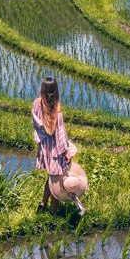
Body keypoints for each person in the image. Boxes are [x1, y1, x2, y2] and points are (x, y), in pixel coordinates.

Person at [32, 76, 86, 216]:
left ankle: (43, 203)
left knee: (52, 176)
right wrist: (66, 151)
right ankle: (53, 210)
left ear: (42, 90)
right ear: (55, 91)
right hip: (56, 151)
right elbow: (61, 135)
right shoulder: (57, 110)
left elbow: (38, 126)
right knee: (57, 181)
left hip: (45, 149)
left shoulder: (36, 104)